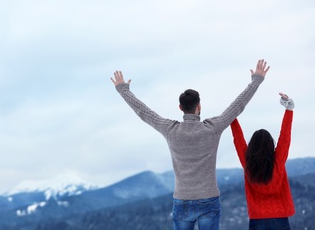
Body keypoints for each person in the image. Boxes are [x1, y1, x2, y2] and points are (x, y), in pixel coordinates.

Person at [110, 59, 270, 230]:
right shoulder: (213, 128)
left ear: (180, 107)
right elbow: (238, 106)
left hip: (182, 199)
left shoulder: (170, 130)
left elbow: (143, 112)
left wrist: (123, 90)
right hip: (209, 198)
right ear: (199, 106)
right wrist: (256, 81)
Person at [229, 93, 295, 229]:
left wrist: (232, 117)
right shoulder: (278, 161)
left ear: (252, 145)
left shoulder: (248, 163)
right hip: (280, 218)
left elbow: (238, 139)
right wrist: (289, 110)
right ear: (270, 144)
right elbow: (285, 139)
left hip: (257, 219)